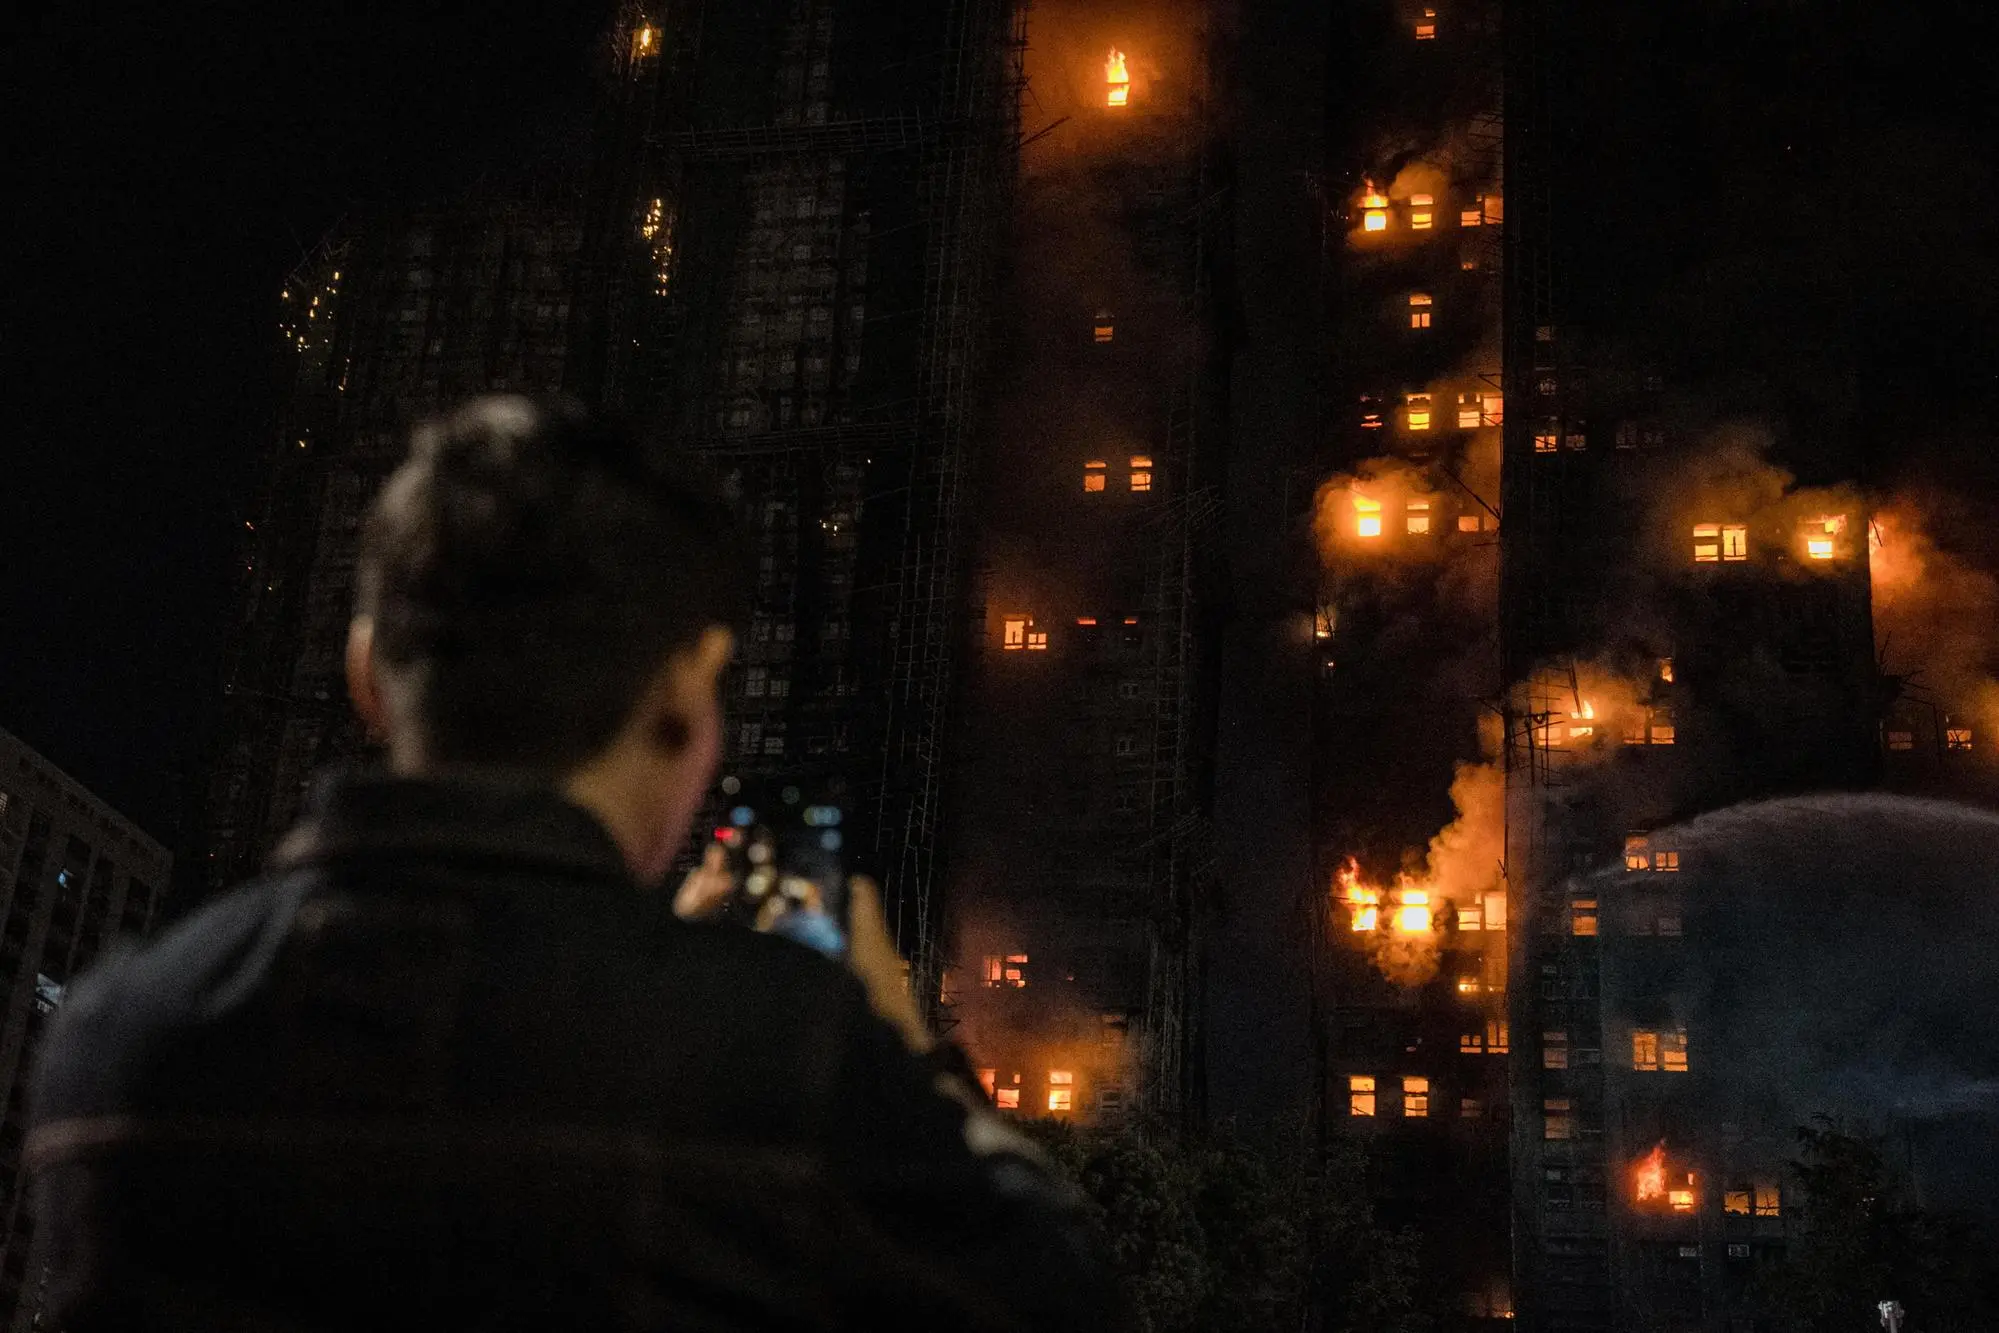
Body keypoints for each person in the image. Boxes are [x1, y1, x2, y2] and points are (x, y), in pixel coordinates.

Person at [26, 397, 1116, 1331]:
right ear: (689, 690)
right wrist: (899, 1032)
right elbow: (1057, 1292)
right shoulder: (785, 1050)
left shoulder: (115, 1038)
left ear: (367, 674)